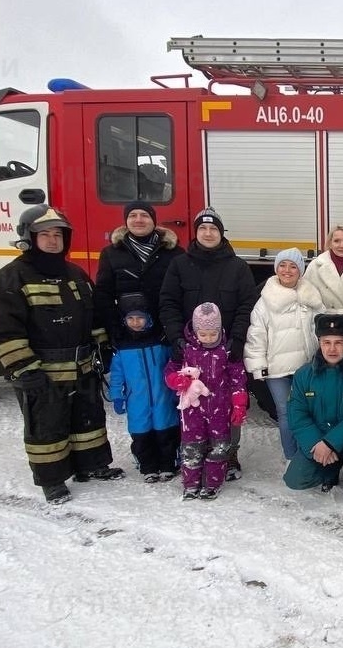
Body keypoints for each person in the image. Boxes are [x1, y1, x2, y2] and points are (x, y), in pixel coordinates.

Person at [0, 205, 124, 504]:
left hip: (82, 365)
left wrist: (101, 346)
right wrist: (25, 369)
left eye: (57, 235)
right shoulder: (11, 278)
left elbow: (93, 315)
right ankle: (52, 479)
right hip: (42, 371)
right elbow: (4, 331)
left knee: (88, 419)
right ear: (28, 238)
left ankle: (93, 465)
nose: (52, 241)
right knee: (47, 426)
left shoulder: (74, 274)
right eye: (45, 235)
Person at [160, 207, 259, 481]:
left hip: (226, 352)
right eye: (202, 228)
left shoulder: (237, 267)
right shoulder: (180, 265)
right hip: (190, 352)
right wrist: (176, 339)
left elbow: (247, 305)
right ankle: (195, 453)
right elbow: (167, 303)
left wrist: (237, 340)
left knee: (228, 403)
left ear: (221, 233)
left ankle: (228, 453)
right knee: (193, 405)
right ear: (196, 233)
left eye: (213, 228)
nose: (207, 233)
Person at [94, 200, 184, 483]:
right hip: (129, 339)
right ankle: (146, 459)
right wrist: (114, 332)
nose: (139, 219)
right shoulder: (111, 254)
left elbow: (180, 295)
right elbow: (104, 295)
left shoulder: (172, 254)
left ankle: (169, 457)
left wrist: (174, 331)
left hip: (162, 337)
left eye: (144, 215)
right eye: (133, 215)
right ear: (125, 221)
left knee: (164, 398)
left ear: (154, 221)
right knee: (140, 402)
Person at [282, 314, 343, 506]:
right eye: (326, 342)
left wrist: (330, 443)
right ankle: (330, 469)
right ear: (319, 343)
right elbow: (297, 415)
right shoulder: (304, 374)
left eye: (338, 342)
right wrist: (316, 443)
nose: (332, 349)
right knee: (295, 481)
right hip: (318, 435)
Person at [244, 247, 325, 460]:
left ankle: (308, 454)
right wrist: (258, 365)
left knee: (308, 412)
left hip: (306, 367)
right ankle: (292, 457)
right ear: (275, 268)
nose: (287, 270)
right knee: (286, 414)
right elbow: (256, 335)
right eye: (282, 265)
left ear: (300, 270)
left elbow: (320, 331)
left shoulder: (311, 297)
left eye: (293, 266)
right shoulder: (265, 302)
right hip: (277, 369)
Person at [164, 303, 249, 500]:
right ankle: (191, 483)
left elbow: (238, 379)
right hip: (192, 410)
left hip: (220, 407)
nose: (208, 339)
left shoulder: (226, 351)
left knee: (220, 446)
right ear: (195, 331)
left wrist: (239, 403)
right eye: (203, 334)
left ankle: (212, 482)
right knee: (192, 447)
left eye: (213, 334)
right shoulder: (185, 350)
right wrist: (177, 380)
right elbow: (170, 371)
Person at [108, 294, 180, 482]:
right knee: (141, 435)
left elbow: (173, 369)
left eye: (140, 318)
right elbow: (117, 375)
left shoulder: (160, 344)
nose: (135, 322)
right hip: (136, 400)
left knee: (166, 434)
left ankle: (168, 465)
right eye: (130, 318)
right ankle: (148, 467)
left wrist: (177, 391)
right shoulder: (122, 348)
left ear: (148, 319)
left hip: (162, 397)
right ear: (124, 321)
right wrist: (117, 395)